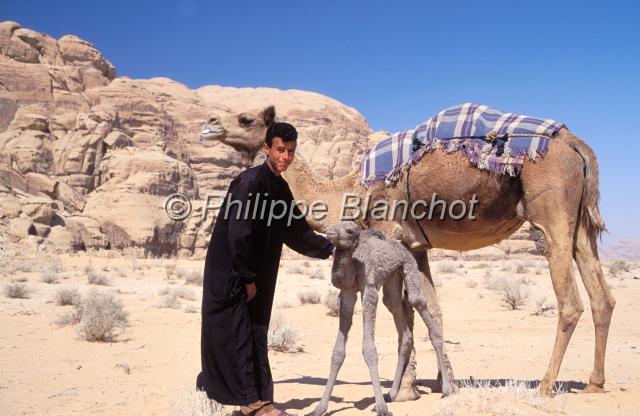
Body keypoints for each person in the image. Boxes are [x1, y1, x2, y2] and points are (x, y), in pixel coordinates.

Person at [196, 122, 334, 416]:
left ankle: (254, 400)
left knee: (255, 333)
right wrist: (247, 278)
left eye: (291, 152)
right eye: (281, 150)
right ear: (267, 149)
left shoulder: (280, 188)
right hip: (233, 272)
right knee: (237, 333)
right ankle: (255, 404)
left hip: (256, 276)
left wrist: (333, 249)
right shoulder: (249, 183)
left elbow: (297, 232)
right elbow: (238, 233)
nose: (286, 157)